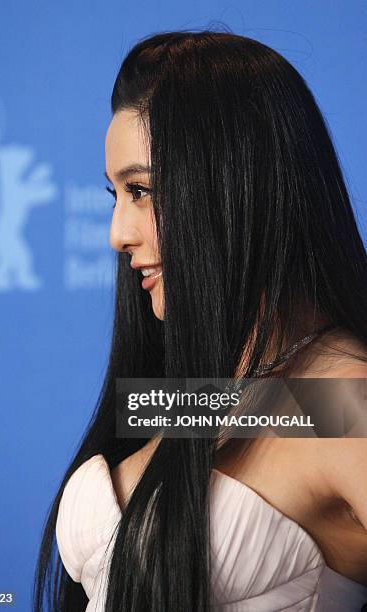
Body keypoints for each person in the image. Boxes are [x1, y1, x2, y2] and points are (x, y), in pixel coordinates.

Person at [33, 29, 367, 611]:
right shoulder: (199, 395)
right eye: (113, 194)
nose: (118, 234)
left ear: (238, 185)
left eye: (141, 190)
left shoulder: (343, 399)